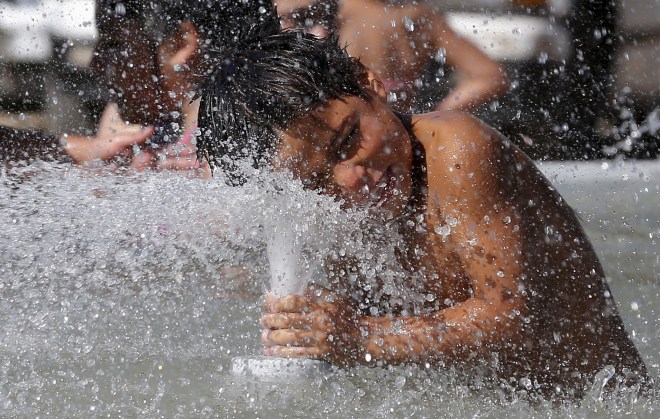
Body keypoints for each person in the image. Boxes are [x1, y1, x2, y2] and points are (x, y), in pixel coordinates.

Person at [195, 1, 649, 399]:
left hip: (600, 404)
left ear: (369, 83)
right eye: (317, 179)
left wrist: (360, 337)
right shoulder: (338, 214)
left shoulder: (456, 149)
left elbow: (512, 318)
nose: (351, 178)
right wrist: (302, 331)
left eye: (350, 137)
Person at [274, 0, 509, 113]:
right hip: (401, 128)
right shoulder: (419, 15)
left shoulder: (331, 6)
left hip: (339, 134)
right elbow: (490, 76)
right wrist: (440, 113)